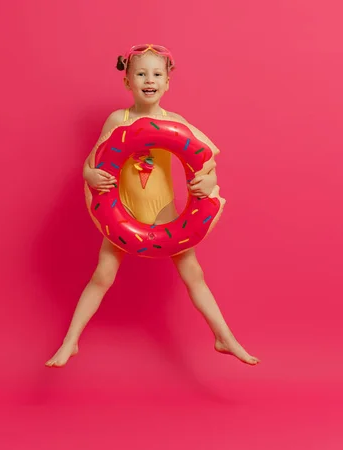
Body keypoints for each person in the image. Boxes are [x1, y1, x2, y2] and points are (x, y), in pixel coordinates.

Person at [46, 44, 259, 367]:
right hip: (122, 210)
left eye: (157, 74)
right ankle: (70, 342)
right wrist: (91, 175)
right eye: (141, 74)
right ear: (127, 81)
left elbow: (206, 163)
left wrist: (208, 183)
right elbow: (92, 163)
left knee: (194, 274)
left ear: (167, 83)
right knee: (102, 275)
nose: (150, 80)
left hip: (164, 210)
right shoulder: (118, 119)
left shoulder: (174, 121)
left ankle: (223, 337)